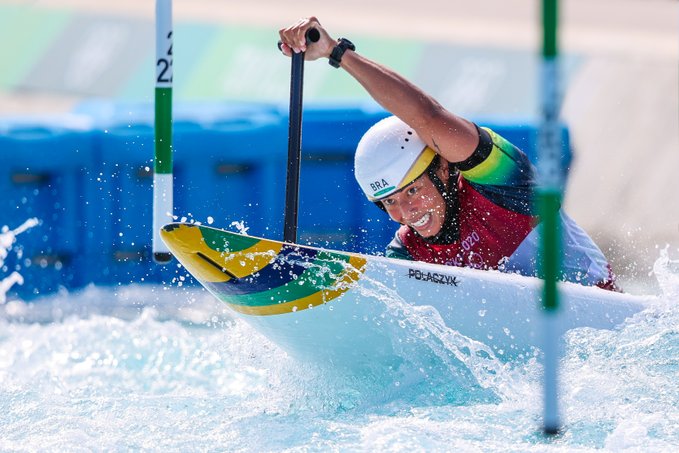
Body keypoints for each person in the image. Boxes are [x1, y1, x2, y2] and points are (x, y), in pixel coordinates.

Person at [278, 17, 620, 291]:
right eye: (389, 203)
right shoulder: (408, 252)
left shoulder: (503, 185)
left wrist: (335, 52)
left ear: (443, 167)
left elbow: (429, 117)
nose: (405, 213)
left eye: (412, 190)